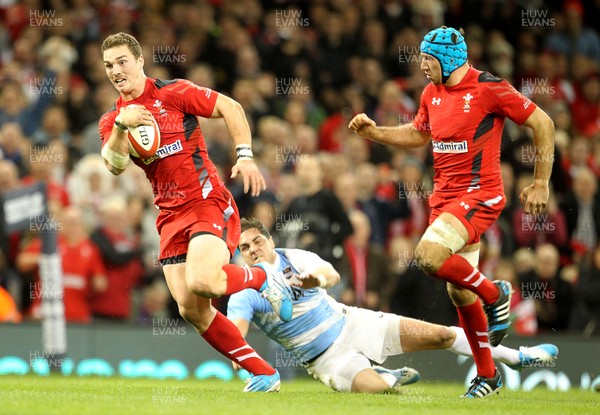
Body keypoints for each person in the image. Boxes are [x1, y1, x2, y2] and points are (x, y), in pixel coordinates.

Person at [348, 26, 555, 398]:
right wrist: (375, 133)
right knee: (460, 294)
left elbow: (543, 122)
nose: (422, 66)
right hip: (444, 201)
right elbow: (417, 133)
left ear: (447, 59)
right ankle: (488, 375)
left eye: (428, 59)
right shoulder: (432, 93)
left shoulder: (489, 87)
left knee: (428, 257)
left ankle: (496, 294)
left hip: (480, 196)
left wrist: (541, 182)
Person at [98, 32, 293, 392]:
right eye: (109, 65)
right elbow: (113, 165)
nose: (116, 70)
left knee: (203, 280)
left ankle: (263, 279)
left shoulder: (173, 93)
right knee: (192, 309)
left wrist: (245, 156)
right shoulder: (113, 120)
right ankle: (264, 372)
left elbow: (230, 107)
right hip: (169, 217)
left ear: (140, 60)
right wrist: (123, 126)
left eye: (122, 61)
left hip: (207, 202)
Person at [227, 218, 559, 394]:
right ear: (240, 253)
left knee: (442, 336)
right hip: (325, 359)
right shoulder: (244, 290)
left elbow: (328, 273)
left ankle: (516, 357)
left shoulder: (293, 256)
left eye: (257, 241)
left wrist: (317, 280)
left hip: (352, 321)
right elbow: (234, 337)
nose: (253, 249)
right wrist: (242, 362)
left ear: (270, 241)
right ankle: (386, 376)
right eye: (245, 247)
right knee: (376, 391)